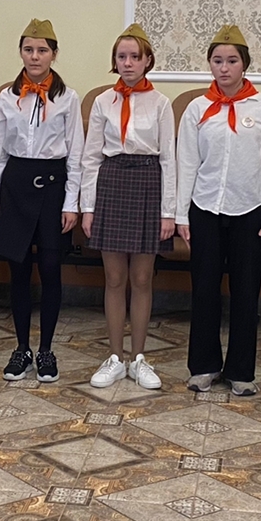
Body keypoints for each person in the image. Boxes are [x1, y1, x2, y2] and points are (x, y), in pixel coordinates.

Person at [177, 24, 261, 397]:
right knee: (204, 288)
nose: (224, 68)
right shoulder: (197, 108)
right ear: (209, 64)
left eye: (232, 61)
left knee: (246, 291)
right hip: (205, 208)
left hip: (250, 210)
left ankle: (241, 370)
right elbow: (186, 163)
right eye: (217, 61)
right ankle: (203, 366)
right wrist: (181, 214)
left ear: (245, 64)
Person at [0, 19, 83, 385]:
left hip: (52, 187)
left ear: (54, 55)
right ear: (21, 53)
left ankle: (46, 349)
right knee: (18, 268)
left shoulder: (67, 98)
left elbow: (75, 153)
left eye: (42, 50)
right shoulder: (7, 97)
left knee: (50, 267)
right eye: (28, 49)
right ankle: (21, 348)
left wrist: (71, 203)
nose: (35, 56)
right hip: (15, 186)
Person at [81, 23, 175, 390]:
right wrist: (88, 207)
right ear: (115, 61)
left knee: (141, 278)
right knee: (115, 278)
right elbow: (91, 157)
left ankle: (138, 358)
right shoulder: (103, 101)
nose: (128, 63)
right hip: (112, 181)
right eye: (122, 56)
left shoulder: (161, 103)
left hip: (148, 182)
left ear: (148, 60)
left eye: (135, 56)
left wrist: (168, 211)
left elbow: (168, 159)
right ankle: (115, 357)